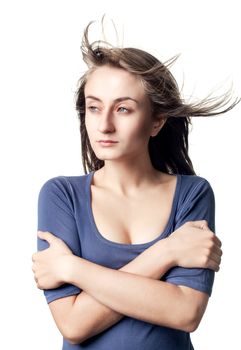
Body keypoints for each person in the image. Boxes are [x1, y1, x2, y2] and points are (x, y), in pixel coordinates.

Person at [32, 19, 239, 350]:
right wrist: (168, 251)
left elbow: (185, 312)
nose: (105, 125)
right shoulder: (61, 195)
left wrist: (72, 268)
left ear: (157, 120)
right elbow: (73, 324)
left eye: (123, 109)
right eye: (94, 107)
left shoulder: (192, 193)